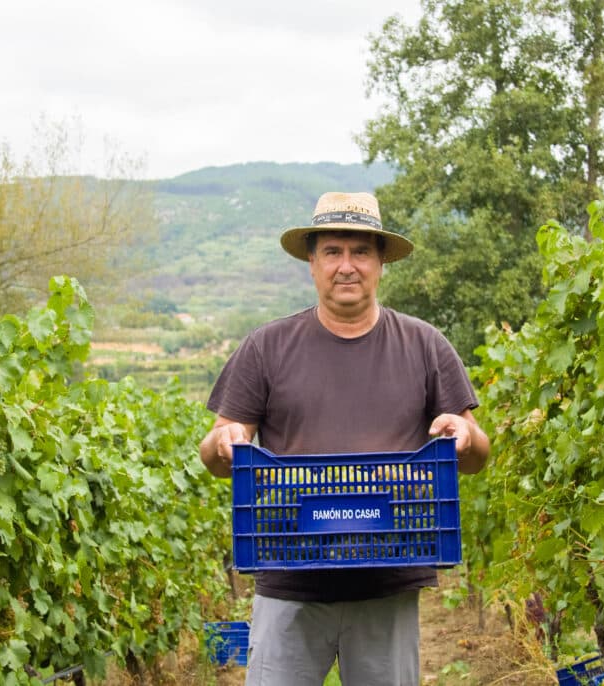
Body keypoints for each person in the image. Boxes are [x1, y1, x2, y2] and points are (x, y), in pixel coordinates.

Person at [199, 191, 490, 686]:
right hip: (288, 577)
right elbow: (216, 451)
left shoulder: (425, 345)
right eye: (333, 252)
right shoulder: (266, 347)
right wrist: (224, 440)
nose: (347, 266)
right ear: (312, 263)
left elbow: (477, 453)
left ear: (380, 263)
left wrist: (464, 432)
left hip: (388, 580)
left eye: (360, 252)